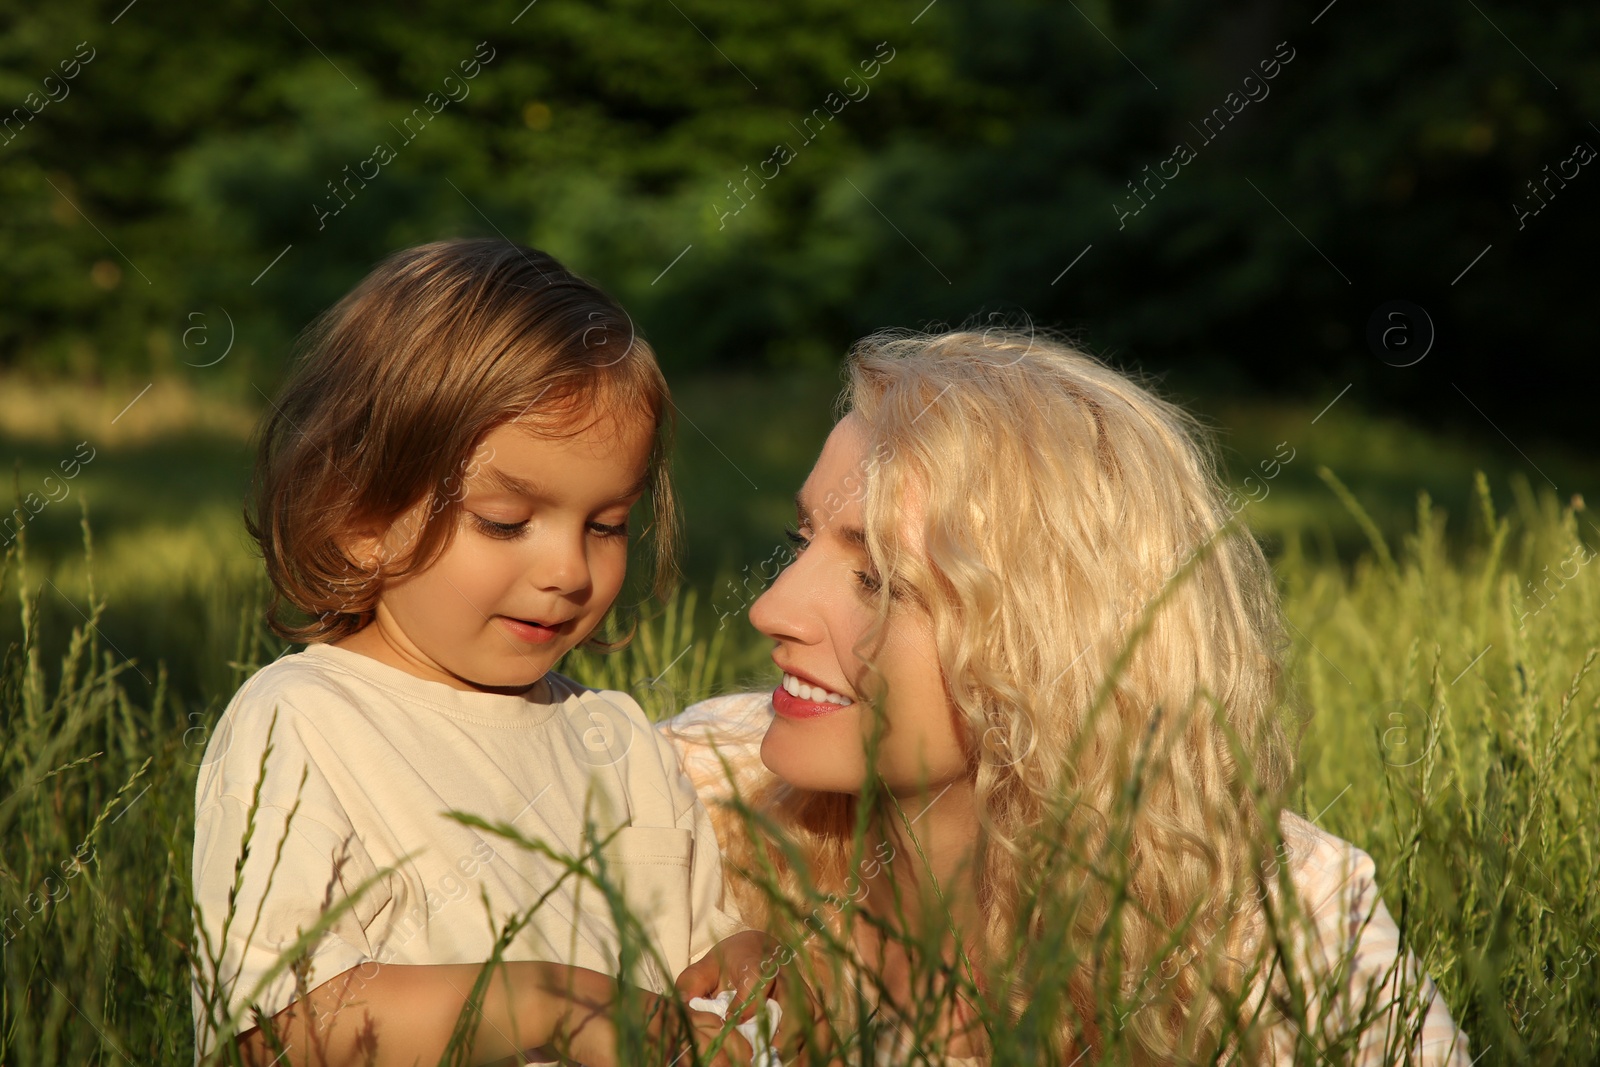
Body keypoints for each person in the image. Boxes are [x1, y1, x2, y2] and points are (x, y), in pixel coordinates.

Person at [665, 328, 1475, 1065]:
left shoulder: (1280, 923)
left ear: (1044, 645)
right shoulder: (687, 796)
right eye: (798, 540)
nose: (770, 607)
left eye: (877, 576)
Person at [191, 238, 768, 1067]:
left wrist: (746, 965)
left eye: (606, 526)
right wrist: (542, 1001)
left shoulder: (620, 739)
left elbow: (691, 982)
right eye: (504, 521)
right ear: (357, 518)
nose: (570, 570)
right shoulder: (306, 721)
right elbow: (276, 1030)